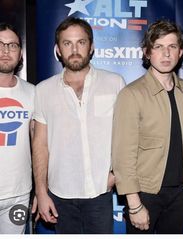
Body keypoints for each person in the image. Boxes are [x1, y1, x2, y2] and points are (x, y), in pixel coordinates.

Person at [32, 17, 125, 234]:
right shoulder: (43, 90)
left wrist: (116, 174)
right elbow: (40, 144)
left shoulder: (115, 83)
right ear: (58, 49)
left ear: (91, 47)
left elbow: (126, 136)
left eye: (81, 42)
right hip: (60, 194)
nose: (74, 49)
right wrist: (41, 191)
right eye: (67, 43)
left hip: (100, 193)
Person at [112, 19, 183, 234]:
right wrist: (134, 205)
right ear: (147, 52)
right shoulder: (132, 94)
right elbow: (123, 155)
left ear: (180, 52)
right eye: (159, 47)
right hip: (145, 194)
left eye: (172, 47)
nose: (166, 54)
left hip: (180, 193)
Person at [0, 23, 35, 233]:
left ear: (20, 53)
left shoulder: (32, 93)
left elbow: (39, 144)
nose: (5, 51)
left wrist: (40, 190)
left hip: (19, 194)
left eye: (12, 45)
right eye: (0, 44)